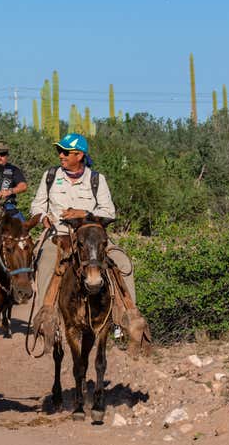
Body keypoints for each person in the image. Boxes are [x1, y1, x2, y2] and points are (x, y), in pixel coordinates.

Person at [30, 133, 145, 343]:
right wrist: (43, 217)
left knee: (121, 261)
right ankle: (46, 319)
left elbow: (109, 212)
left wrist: (83, 214)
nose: (61, 155)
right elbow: (37, 205)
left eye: (66, 152)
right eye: (59, 151)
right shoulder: (50, 176)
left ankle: (128, 316)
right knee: (45, 262)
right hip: (59, 235)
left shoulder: (96, 179)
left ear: (79, 155)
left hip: (90, 234)